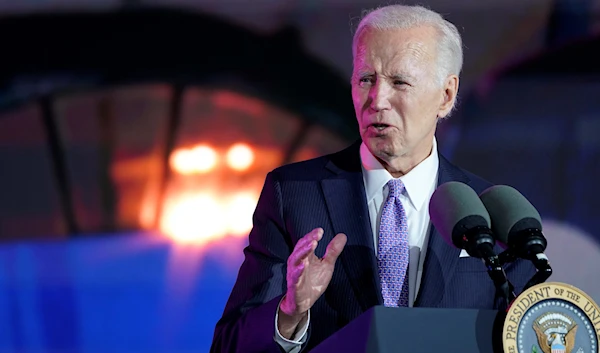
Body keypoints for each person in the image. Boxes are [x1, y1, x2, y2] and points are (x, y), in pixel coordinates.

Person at [210, 4, 536, 353]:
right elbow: (230, 345)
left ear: (446, 95)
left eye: (399, 82)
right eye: (366, 79)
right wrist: (289, 313)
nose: (377, 100)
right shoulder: (294, 194)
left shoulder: (489, 212)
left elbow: (528, 335)